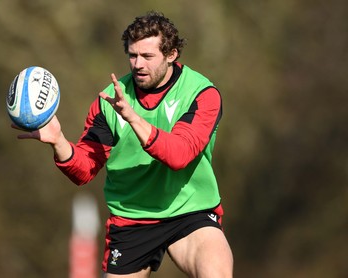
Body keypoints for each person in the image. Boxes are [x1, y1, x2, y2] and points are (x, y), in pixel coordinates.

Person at [14, 11, 233, 278]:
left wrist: (133, 117)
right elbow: (84, 169)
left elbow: (180, 154)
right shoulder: (108, 101)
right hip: (132, 218)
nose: (138, 64)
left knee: (217, 272)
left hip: (190, 210)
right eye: (132, 55)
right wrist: (58, 141)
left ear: (172, 55)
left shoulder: (201, 94)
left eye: (148, 56)